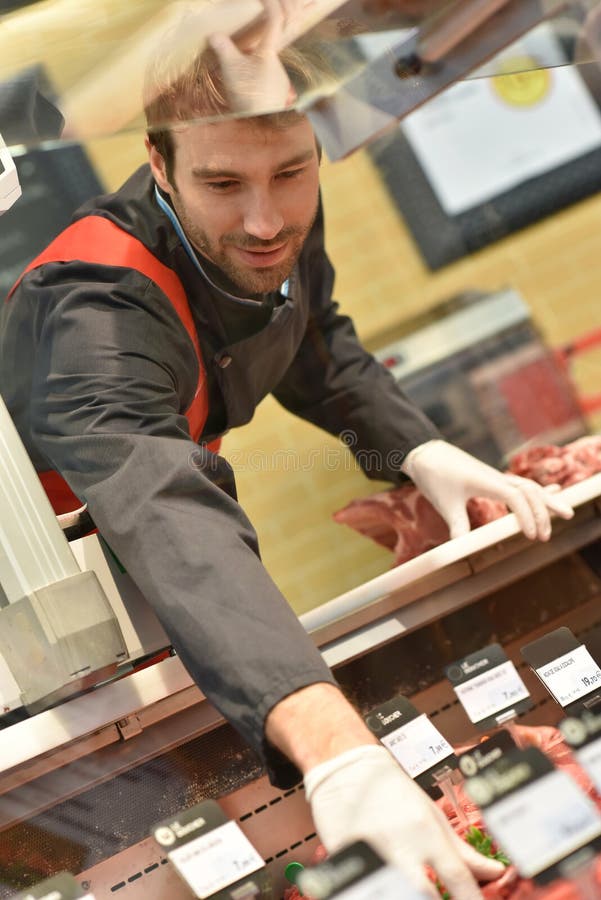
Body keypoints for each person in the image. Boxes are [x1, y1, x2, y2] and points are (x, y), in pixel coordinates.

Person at [0, 8, 573, 898]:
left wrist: (419, 452)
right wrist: (340, 758)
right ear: (158, 165)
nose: (266, 219)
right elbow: (166, 507)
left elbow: (313, 342)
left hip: (154, 614)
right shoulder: (95, 305)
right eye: (224, 183)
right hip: (38, 657)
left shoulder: (269, 218)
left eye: (291, 173)